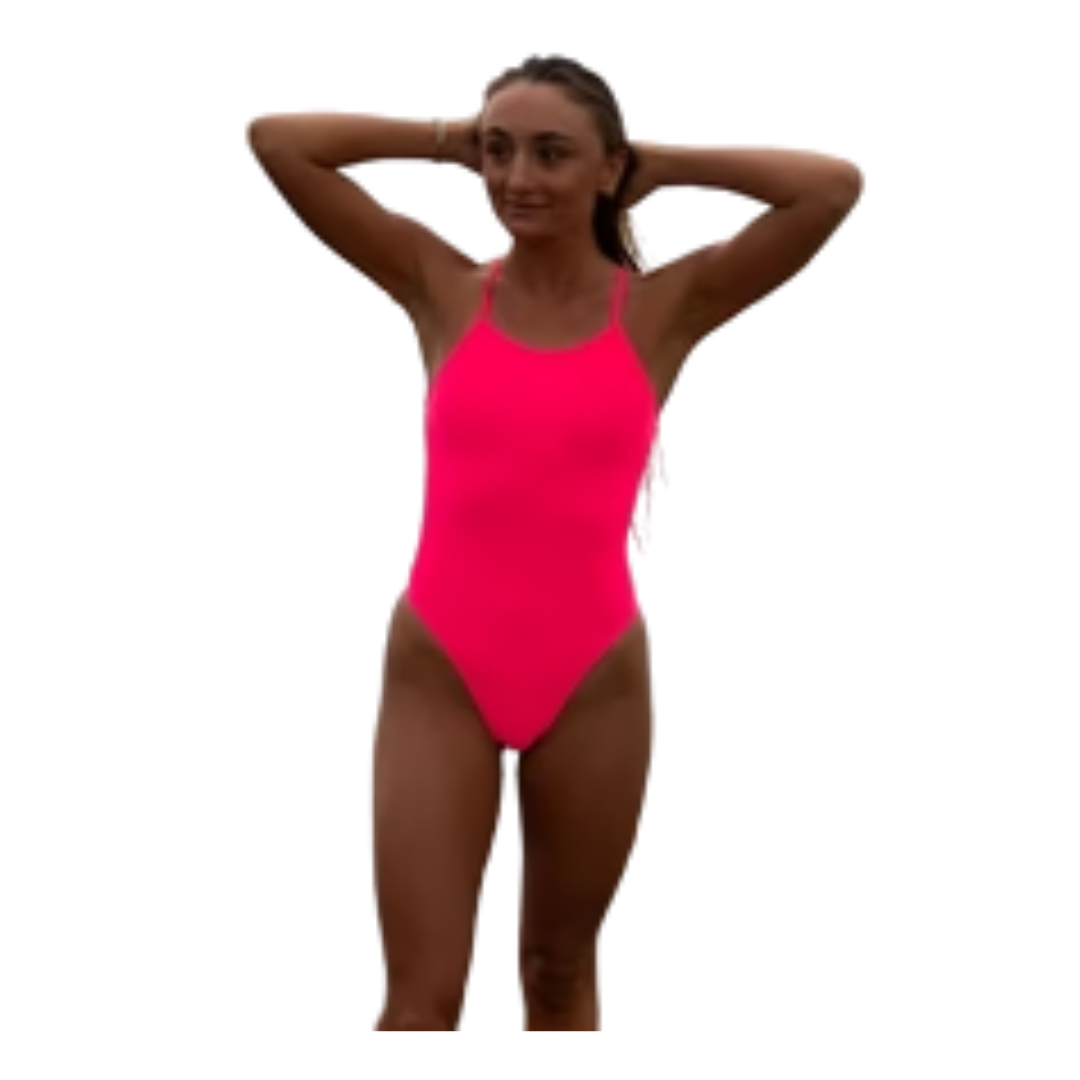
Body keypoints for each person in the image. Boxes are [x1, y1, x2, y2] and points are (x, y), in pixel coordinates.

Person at [247, 53, 862, 1031]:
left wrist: (662, 164)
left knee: (558, 969)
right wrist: (447, 143)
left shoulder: (662, 310)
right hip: (438, 671)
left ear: (607, 168)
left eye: (550, 153)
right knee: (420, 1003)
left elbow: (828, 189)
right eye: (499, 152)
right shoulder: (441, 287)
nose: (516, 178)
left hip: (594, 681)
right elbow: (281, 144)